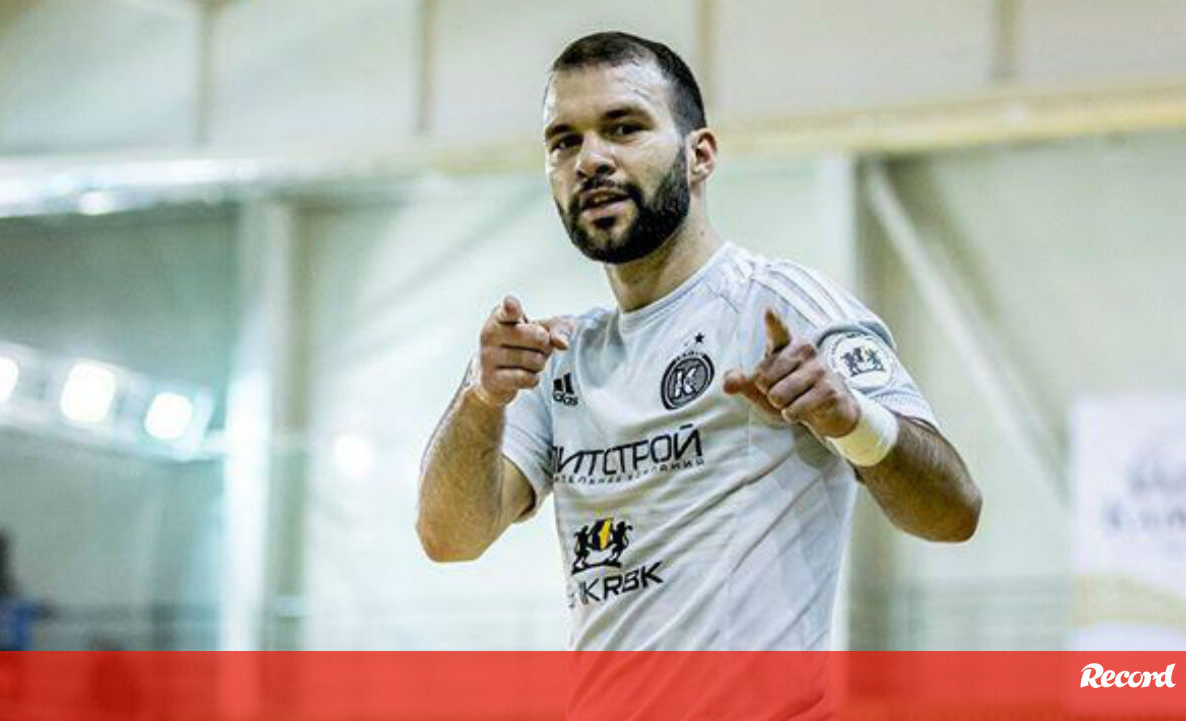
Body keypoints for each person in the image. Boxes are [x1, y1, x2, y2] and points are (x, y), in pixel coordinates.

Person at [417, 31, 981, 653]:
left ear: (700, 155)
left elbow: (954, 511)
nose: (590, 160)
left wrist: (851, 419)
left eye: (624, 128)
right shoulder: (559, 357)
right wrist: (480, 398)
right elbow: (449, 539)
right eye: (564, 142)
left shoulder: (784, 309)